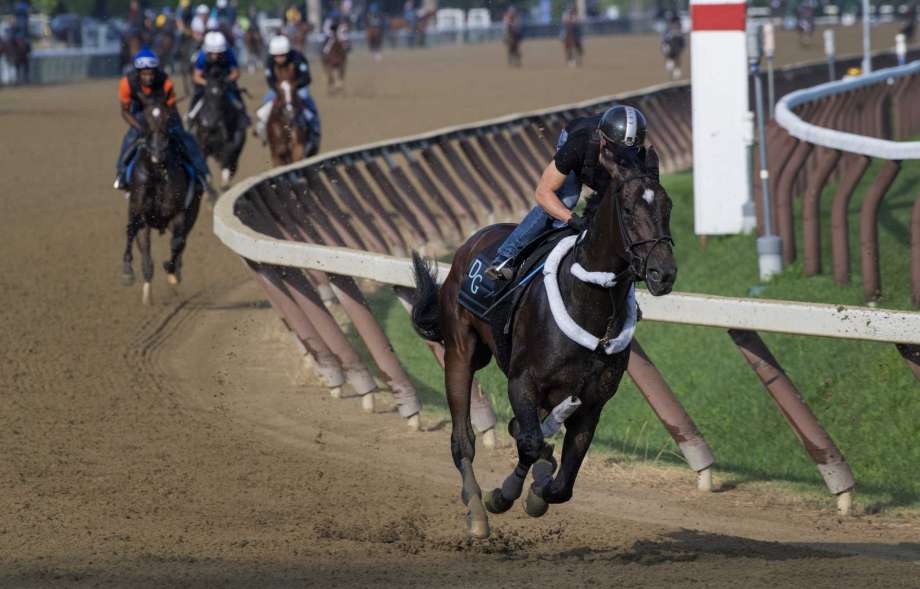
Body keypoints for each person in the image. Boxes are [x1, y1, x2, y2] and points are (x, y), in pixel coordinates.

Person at [485, 105, 652, 280]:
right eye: (616, 152)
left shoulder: (639, 157)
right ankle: (505, 258)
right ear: (603, 140)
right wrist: (572, 219)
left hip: (598, 165)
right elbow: (543, 192)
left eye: (628, 153)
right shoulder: (579, 144)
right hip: (579, 148)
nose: (620, 160)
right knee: (566, 199)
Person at [114, 48, 209, 191]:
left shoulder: (165, 82)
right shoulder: (126, 83)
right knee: (130, 139)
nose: (149, 77)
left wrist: (163, 126)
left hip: (165, 112)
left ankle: (201, 174)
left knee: (185, 138)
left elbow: (170, 108)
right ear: (138, 72)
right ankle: (121, 174)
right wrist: (140, 128)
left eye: (151, 73)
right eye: (144, 74)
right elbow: (125, 112)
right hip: (140, 114)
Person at [254, 35, 321, 149]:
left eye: (282, 55)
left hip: (298, 87)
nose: (279, 58)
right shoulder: (270, 61)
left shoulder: (298, 57)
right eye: (277, 56)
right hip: (278, 88)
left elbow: (306, 77)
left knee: (307, 101)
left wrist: (294, 86)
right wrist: (279, 90)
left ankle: (315, 128)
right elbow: (270, 80)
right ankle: (262, 129)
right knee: (266, 100)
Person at [188, 30, 247, 124]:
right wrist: (210, 84)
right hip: (206, 83)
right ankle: (191, 117)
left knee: (235, 96)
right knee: (198, 96)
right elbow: (196, 77)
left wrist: (226, 80)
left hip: (224, 81)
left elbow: (236, 72)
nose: (215, 56)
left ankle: (243, 116)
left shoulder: (229, 53)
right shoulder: (201, 56)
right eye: (212, 53)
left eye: (219, 53)